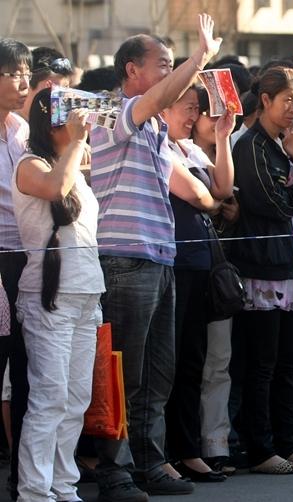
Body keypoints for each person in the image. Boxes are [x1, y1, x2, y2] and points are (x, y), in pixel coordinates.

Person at [88, 16, 220, 500]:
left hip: (159, 258)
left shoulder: (154, 130)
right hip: (123, 258)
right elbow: (161, 99)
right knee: (125, 369)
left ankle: (150, 460)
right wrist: (200, 58)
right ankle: (113, 469)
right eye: (162, 64)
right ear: (132, 71)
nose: (170, 73)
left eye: (173, 64)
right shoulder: (111, 111)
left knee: (158, 371)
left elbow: (207, 193)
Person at [229, 66, 293, 474]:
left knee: (287, 361)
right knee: (262, 363)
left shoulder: (290, 141)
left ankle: (287, 443)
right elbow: (271, 203)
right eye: (285, 99)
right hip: (262, 264)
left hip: (291, 259)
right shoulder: (251, 145)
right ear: (264, 101)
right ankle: (261, 447)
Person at [13, 94, 102, 502]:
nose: (82, 123)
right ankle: (34, 491)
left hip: (86, 292)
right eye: (72, 116)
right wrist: (77, 141)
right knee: (49, 398)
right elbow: (55, 188)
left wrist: (77, 144)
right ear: (53, 124)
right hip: (48, 296)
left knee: (76, 399)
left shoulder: (75, 167)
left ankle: (64, 486)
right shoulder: (30, 165)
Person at [160, 85, 235, 483]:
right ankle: (165, 453)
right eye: (187, 108)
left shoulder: (190, 149)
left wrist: (222, 138)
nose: (192, 116)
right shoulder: (157, 145)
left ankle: (188, 450)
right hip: (171, 263)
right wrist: (211, 198)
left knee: (193, 361)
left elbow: (221, 188)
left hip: (200, 264)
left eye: (195, 109)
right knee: (166, 365)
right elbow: (203, 198)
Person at [0, 37, 32, 501]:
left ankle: (23, 476)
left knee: (29, 370)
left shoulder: (24, 130)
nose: (24, 81)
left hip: (28, 258)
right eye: (13, 73)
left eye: (27, 71)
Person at [16, 47, 72, 119]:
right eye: (52, 91)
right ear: (27, 86)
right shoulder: (8, 126)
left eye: (65, 89)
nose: (61, 98)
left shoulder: (66, 125)